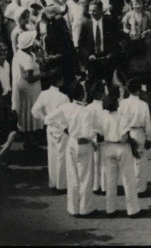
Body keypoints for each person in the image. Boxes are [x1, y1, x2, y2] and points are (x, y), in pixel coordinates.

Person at [49, 80, 96, 217]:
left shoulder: (66, 107)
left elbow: (48, 119)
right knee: (85, 177)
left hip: (72, 142)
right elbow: (88, 133)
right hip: (84, 144)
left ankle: (73, 208)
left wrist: (65, 129)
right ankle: (85, 208)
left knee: (73, 176)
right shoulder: (86, 111)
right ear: (83, 94)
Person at [96, 86, 142, 217]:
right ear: (116, 104)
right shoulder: (122, 117)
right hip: (122, 147)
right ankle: (133, 210)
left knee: (110, 179)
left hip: (108, 147)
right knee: (128, 179)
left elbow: (99, 133)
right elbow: (126, 136)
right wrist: (135, 148)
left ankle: (110, 209)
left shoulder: (103, 117)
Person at [32, 72, 70, 189]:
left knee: (52, 155)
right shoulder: (64, 97)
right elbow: (67, 115)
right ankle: (61, 184)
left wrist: (46, 119)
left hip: (50, 128)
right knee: (61, 156)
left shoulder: (44, 94)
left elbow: (35, 111)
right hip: (62, 128)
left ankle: (53, 182)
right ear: (59, 80)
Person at [119, 78, 151, 195]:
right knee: (140, 162)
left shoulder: (122, 104)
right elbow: (147, 122)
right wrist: (149, 138)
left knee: (127, 161)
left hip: (126, 132)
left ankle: (129, 186)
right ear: (139, 90)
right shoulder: (143, 105)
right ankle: (140, 188)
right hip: (139, 132)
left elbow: (119, 120)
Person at [11, 30, 42, 148]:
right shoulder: (27, 58)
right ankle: (30, 140)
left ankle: (29, 137)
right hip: (30, 89)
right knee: (31, 111)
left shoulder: (20, 53)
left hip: (24, 89)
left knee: (27, 112)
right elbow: (30, 78)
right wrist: (44, 74)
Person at [79, 0, 117, 82]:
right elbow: (81, 44)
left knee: (109, 83)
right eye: (90, 10)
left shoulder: (109, 22)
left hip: (107, 59)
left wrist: (111, 54)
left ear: (101, 10)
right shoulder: (85, 24)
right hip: (93, 60)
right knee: (94, 86)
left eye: (94, 10)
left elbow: (115, 41)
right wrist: (88, 55)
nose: (91, 13)